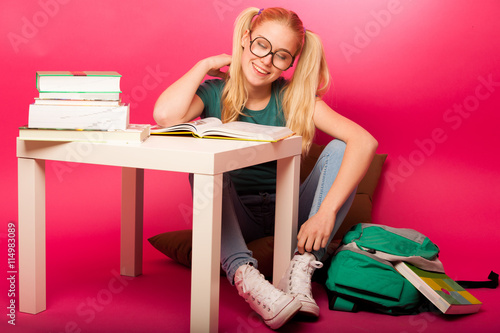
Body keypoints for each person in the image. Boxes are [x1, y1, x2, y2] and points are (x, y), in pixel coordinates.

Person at [154, 7, 378, 330]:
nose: (266, 60)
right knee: (201, 164)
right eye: (261, 45)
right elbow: (164, 115)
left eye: (281, 56)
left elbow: (364, 142)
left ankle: (301, 271)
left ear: (290, 63)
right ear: (245, 40)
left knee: (340, 148)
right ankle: (247, 278)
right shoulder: (216, 91)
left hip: (289, 214)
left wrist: (325, 213)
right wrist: (204, 65)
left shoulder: (293, 98)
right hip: (237, 217)